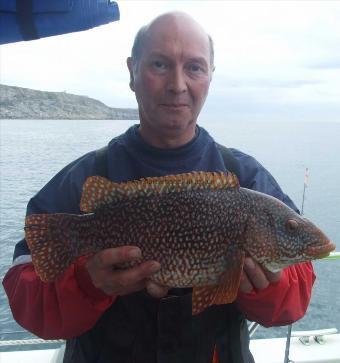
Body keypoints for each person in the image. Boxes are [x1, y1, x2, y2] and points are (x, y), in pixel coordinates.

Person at [3, 12, 315, 363]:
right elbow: (25, 299)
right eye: (160, 64)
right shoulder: (82, 178)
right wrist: (88, 283)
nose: (178, 84)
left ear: (210, 76)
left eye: (195, 67)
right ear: (132, 72)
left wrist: (268, 286)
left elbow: (293, 300)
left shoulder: (247, 178)